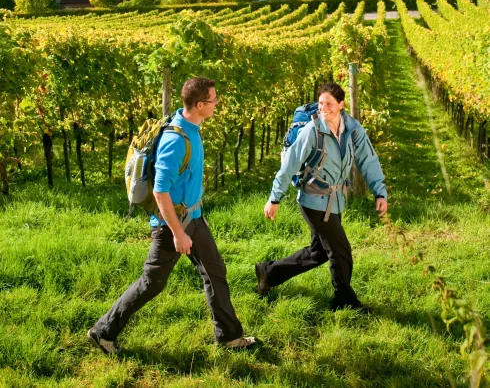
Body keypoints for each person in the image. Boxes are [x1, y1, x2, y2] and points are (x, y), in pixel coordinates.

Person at [88, 77, 258, 354]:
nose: (217, 104)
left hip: (194, 218)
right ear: (201, 104)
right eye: (215, 100)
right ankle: (102, 331)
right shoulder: (175, 140)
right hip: (172, 225)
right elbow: (160, 191)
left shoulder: (192, 126)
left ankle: (228, 336)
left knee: (214, 271)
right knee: (152, 282)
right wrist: (178, 233)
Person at [257, 82, 388, 311]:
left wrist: (380, 191)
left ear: (341, 104)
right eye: (320, 103)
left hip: (335, 202)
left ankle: (268, 272)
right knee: (341, 251)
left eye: (328, 103)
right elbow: (289, 165)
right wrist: (274, 198)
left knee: (319, 252)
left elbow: (368, 159)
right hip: (313, 202)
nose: (323, 108)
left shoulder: (352, 128)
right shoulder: (312, 131)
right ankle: (344, 301)